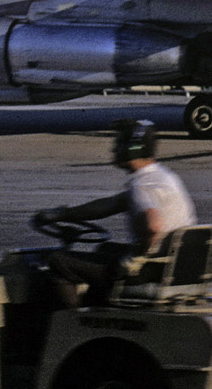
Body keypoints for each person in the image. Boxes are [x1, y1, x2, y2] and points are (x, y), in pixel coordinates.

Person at [31, 119, 196, 306]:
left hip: (148, 270)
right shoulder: (163, 177)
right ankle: (97, 307)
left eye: (119, 144)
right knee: (105, 249)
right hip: (170, 263)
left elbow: (153, 226)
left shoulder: (141, 186)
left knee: (58, 262)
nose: (114, 150)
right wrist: (63, 214)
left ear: (132, 148)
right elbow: (109, 205)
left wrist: (134, 260)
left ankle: (74, 321)